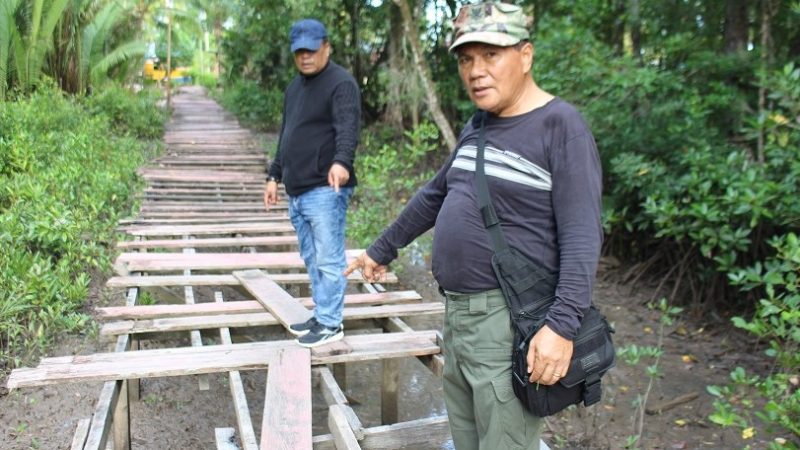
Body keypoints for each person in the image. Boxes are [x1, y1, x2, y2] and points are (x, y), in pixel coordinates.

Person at [345, 3, 602, 449]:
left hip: (508, 323)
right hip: (459, 319)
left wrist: (561, 328)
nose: (475, 71)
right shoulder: (478, 127)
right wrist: (380, 249)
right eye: (466, 59)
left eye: (491, 55)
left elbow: (583, 236)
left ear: (525, 55)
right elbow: (435, 195)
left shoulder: (561, 126)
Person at [265, 18, 360, 348]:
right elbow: (286, 135)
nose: (305, 57)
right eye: (299, 52)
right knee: (311, 257)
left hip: (325, 188)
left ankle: (332, 323)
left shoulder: (340, 83)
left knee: (328, 258)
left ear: (326, 47)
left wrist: (341, 162)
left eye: (311, 50)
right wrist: (274, 175)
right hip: (298, 189)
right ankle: (322, 315)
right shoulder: (294, 88)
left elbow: (347, 128)